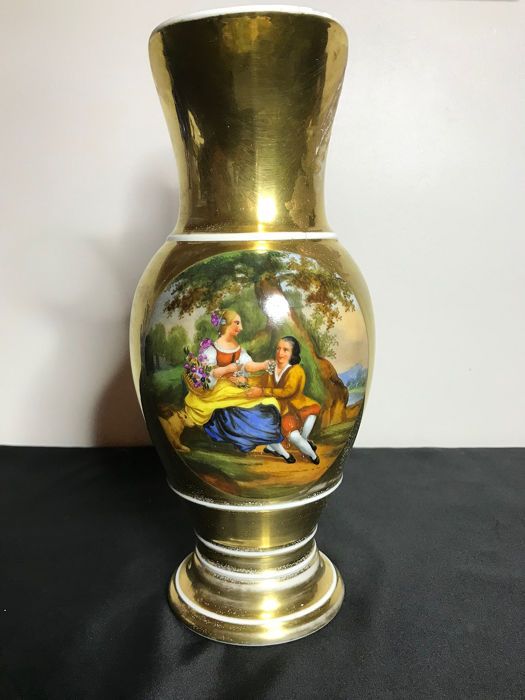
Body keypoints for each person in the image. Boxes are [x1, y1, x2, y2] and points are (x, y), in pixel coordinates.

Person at [183, 309, 287, 455]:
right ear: (226, 325)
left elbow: (247, 366)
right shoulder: (212, 349)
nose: (241, 327)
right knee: (238, 407)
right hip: (218, 390)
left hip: (234, 386)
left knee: (268, 401)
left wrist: (263, 365)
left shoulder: (238, 348)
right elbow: (210, 373)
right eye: (237, 323)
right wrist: (227, 369)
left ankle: (266, 439)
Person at [243, 336, 320, 464]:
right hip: (277, 409)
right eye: (278, 349)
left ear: (293, 353)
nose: (280, 353)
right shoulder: (272, 368)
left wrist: (262, 391)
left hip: (292, 409)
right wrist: (245, 380)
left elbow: (288, 391)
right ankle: (272, 447)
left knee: (294, 437)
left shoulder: (296, 370)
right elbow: (260, 380)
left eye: (285, 350)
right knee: (265, 425)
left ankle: (313, 456)